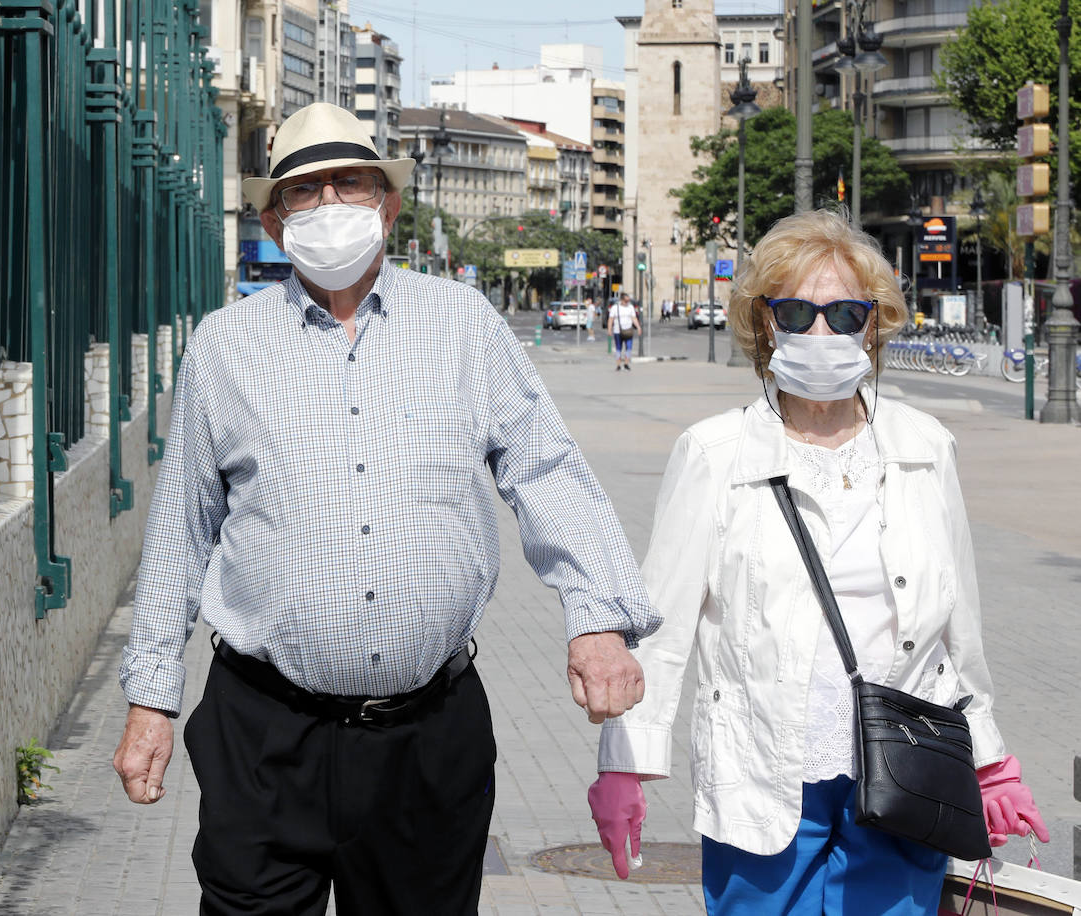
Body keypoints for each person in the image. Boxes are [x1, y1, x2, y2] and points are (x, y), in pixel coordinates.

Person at [113, 101, 659, 916]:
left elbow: (545, 470)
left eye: (352, 184)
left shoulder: (463, 325)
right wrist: (150, 699)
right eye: (307, 190)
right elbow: (181, 532)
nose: (331, 204)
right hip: (264, 735)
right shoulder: (225, 347)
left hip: (428, 739)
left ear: (389, 205)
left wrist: (599, 619)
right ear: (272, 216)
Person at [587, 210, 1050, 915]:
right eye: (799, 312)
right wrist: (625, 762)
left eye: (845, 313)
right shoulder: (716, 453)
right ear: (765, 323)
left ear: (876, 322)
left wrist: (991, 763)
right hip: (765, 774)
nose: (823, 332)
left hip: (902, 774)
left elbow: (961, 630)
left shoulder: (925, 446)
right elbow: (666, 628)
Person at [609, 294, 638, 371]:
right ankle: (618, 365)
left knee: (629, 347)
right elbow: (611, 319)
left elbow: (633, 318)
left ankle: (626, 364)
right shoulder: (615, 308)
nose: (627, 302)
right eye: (626, 301)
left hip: (628, 330)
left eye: (628, 301)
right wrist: (609, 329)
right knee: (618, 348)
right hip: (617, 331)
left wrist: (638, 327)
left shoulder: (630, 307)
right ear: (621, 300)